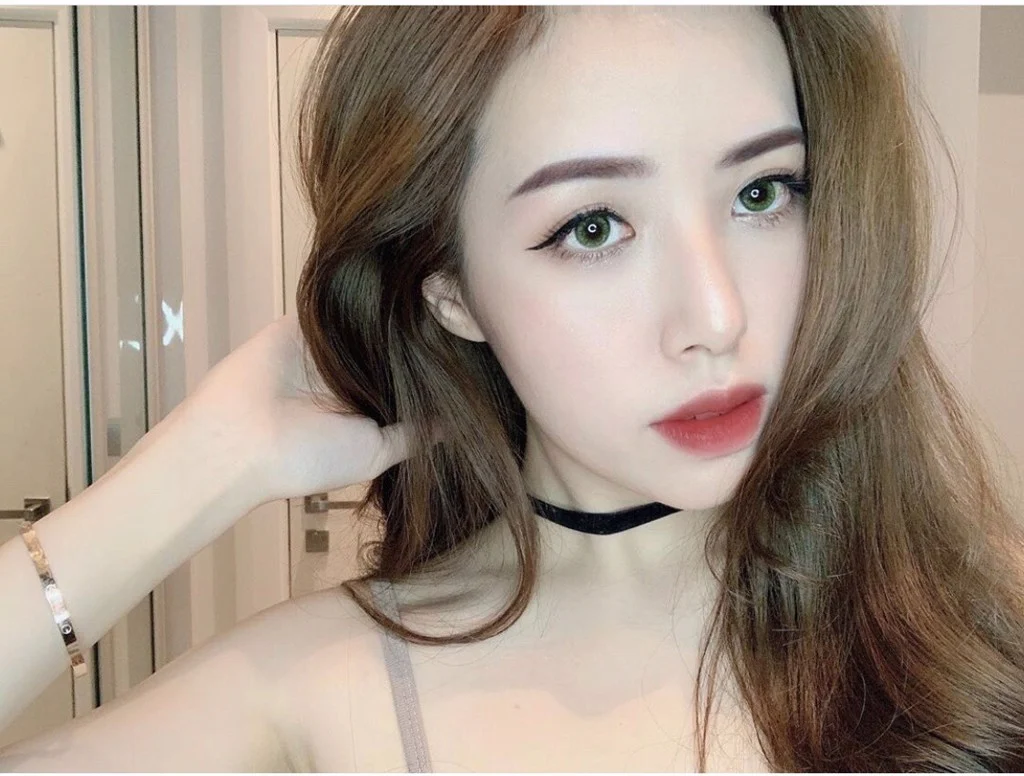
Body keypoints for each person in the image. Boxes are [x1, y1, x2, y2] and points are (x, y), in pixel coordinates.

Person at [2, 5, 1023, 771]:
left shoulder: (969, 625)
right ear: (451, 291)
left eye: (761, 192)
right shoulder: (322, 685)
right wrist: (202, 464)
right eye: (593, 226)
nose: (716, 317)